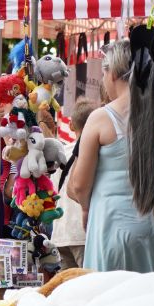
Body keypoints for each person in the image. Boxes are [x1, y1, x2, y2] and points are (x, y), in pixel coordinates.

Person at [68, 39, 154, 272]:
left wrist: (85, 207)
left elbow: (80, 185)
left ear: (112, 73)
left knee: (111, 304)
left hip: (114, 228)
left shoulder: (102, 118)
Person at [52, 98, 95, 270]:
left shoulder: (58, 153)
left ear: (70, 126)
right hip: (83, 233)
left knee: (66, 291)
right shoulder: (95, 152)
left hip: (60, 233)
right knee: (89, 288)